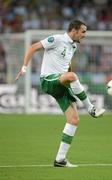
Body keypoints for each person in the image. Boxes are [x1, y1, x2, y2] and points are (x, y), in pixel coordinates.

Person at [15, 20, 105, 167]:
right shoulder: (57, 39)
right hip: (48, 80)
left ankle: (60, 159)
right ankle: (90, 108)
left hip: (61, 83)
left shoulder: (73, 46)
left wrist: (71, 83)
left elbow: (67, 65)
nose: (85, 35)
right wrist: (24, 67)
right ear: (74, 30)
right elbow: (33, 47)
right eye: (83, 31)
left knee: (74, 119)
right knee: (72, 76)